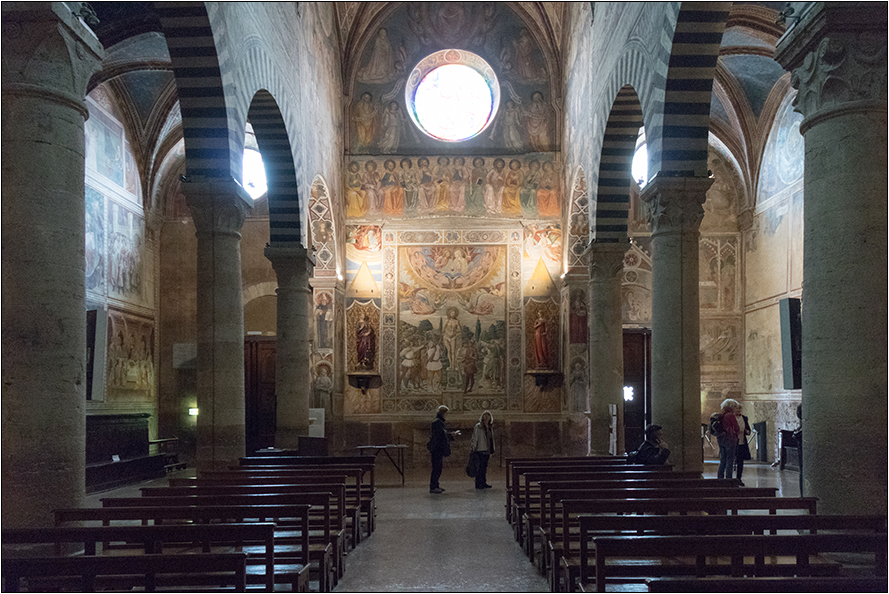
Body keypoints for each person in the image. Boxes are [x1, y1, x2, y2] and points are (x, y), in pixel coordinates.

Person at [427, 405, 458, 494]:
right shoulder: (438, 422)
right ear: (443, 413)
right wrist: (450, 435)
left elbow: (442, 434)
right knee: (436, 468)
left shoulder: (438, 421)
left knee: (438, 468)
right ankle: (433, 486)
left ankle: (436, 485)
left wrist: (450, 434)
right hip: (437, 448)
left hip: (437, 448)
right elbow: (440, 435)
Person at [711, 398, 742, 481]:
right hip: (730, 439)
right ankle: (729, 479)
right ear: (731, 407)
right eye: (735, 407)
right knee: (730, 460)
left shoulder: (721, 415)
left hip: (721, 439)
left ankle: (720, 478)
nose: (735, 409)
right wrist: (735, 434)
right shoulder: (730, 415)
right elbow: (736, 428)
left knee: (723, 460)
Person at [470, 411, 495, 489]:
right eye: (485, 415)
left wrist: (492, 450)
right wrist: (473, 448)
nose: (486, 417)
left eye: (488, 415)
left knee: (484, 467)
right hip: (480, 449)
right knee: (479, 467)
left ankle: (483, 482)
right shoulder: (478, 426)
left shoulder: (490, 427)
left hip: (487, 449)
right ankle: (478, 483)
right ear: (482, 417)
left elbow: (491, 439)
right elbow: (475, 437)